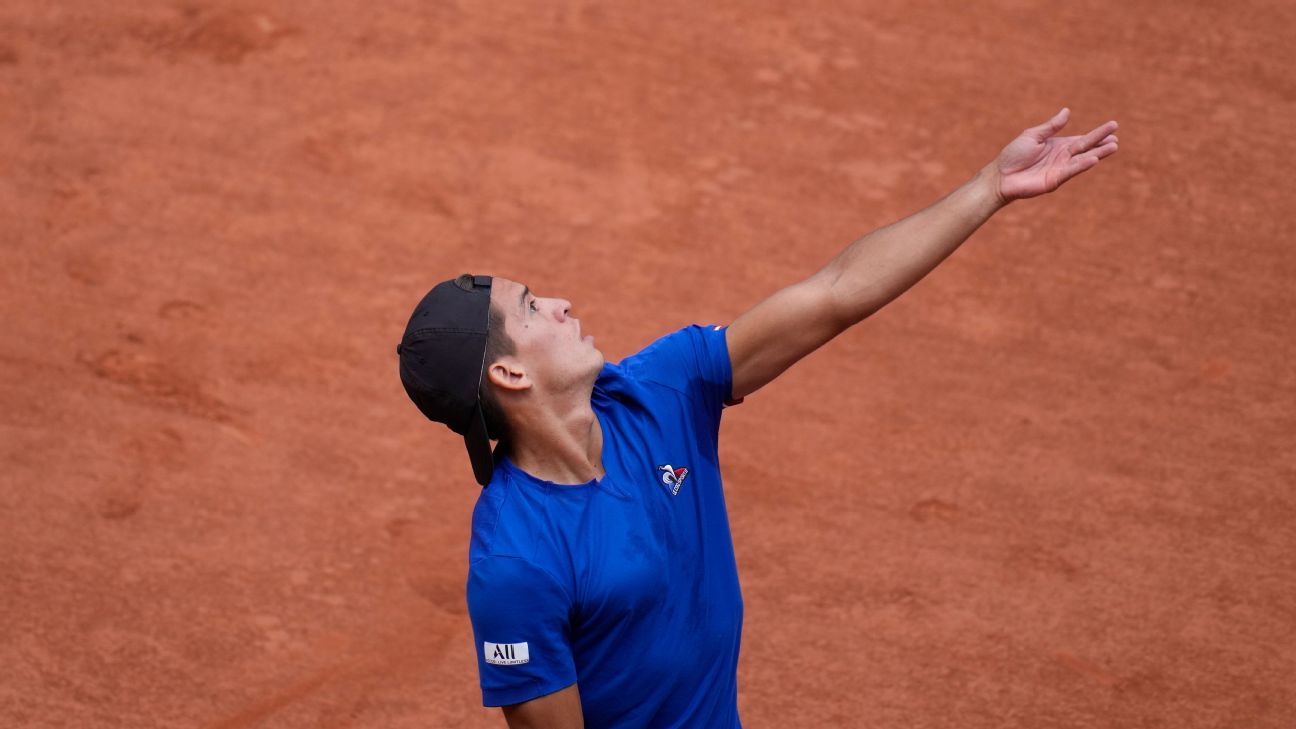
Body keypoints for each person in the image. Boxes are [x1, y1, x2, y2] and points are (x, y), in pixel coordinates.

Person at [395, 107, 1118, 728]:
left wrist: (990, 186)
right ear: (508, 373)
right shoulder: (517, 561)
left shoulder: (660, 389)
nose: (558, 303)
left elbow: (837, 291)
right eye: (530, 308)